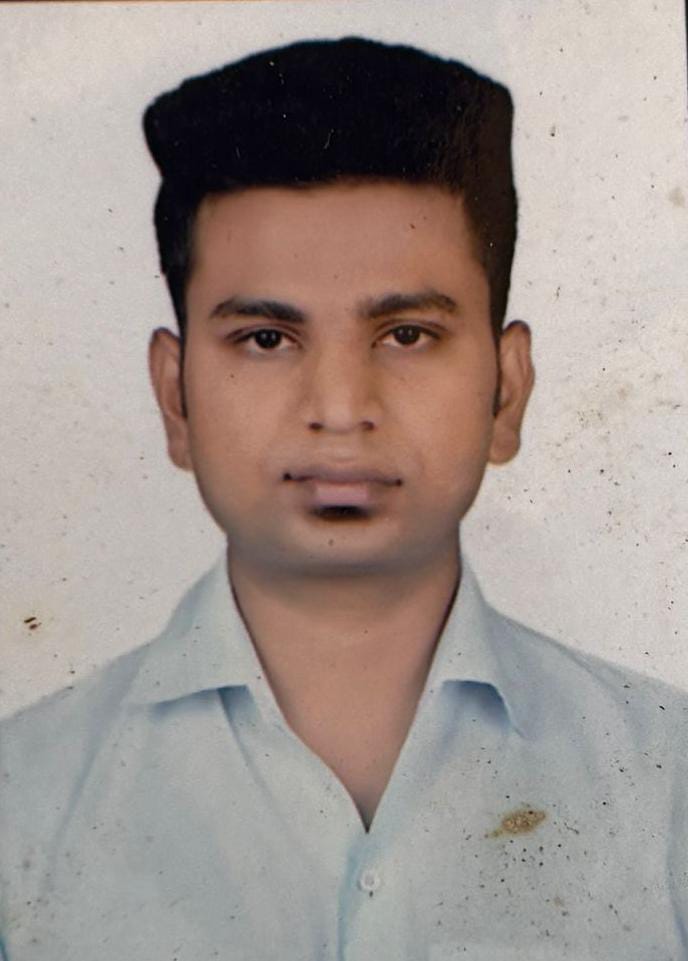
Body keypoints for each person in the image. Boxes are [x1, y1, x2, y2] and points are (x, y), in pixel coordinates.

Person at [1, 35, 686, 961]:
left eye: (406, 334)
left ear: (507, 389)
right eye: (266, 339)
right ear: (175, 397)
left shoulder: (666, 786)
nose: (339, 408)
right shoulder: (23, 799)